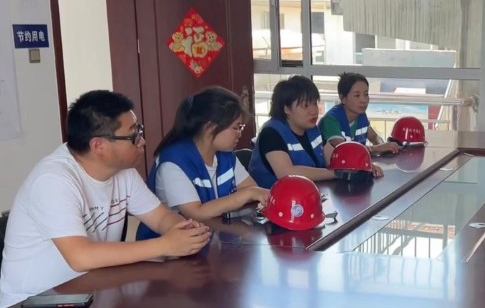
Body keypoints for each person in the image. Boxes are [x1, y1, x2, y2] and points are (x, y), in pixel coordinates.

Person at [0, 90, 211, 308]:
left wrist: (184, 231)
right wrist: (165, 245)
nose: (142, 141)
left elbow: (160, 218)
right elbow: (80, 257)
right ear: (99, 146)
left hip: (88, 293)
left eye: (139, 130)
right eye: (133, 135)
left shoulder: (123, 172)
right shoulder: (53, 180)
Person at [135, 87, 270, 241]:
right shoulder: (174, 161)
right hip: (168, 248)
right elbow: (196, 213)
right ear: (210, 127)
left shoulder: (225, 155)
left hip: (213, 238)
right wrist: (249, 193)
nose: (239, 133)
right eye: (236, 127)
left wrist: (251, 193)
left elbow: (251, 188)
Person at [249, 76, 383, 189]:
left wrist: (361, 167)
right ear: (286, 109)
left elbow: (334, 158)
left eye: (314, 104)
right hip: (271, 202)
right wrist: (336, 173)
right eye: (305, 106)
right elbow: (287, 173)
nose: (313, 111)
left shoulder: (312, 130)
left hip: (309, 193)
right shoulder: (271, 133)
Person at [319, 73, 400, 155]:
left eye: (366, 94)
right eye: (357, 95)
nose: (363, 100)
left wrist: (382, 146)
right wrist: (378, 148)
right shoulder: (331, 120)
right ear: (343, 98)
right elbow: (345, 150)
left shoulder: (361, 115)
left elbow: (374, 137)